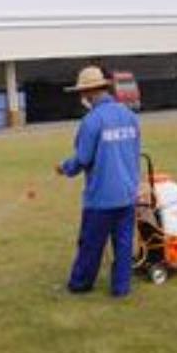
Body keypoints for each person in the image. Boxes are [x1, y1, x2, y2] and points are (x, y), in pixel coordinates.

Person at [56, 66, 140, 297]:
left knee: (91, 244)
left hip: (101, 198)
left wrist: (64, 168)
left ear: (89, 93)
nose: (81, 97)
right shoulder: (130, 116)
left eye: (82, 93)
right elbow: (134, 153)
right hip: (127, 193)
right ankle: (121, 287)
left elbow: (83, 158)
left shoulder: (92, 121)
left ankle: (80, 283)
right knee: (123, 244)